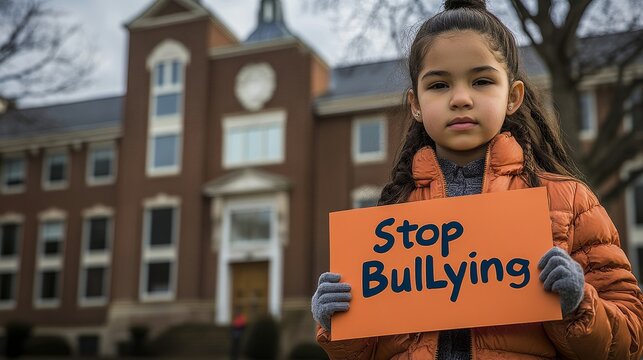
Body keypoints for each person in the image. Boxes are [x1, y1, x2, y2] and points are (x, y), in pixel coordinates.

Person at [310, 0, 643, 358]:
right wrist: (337, 324)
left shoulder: (570, 203)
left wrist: (576, 303)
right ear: (416, 105)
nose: (461, 98)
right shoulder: (389, 222)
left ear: (513, 97)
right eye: (439, 85)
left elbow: (629, 340)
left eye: (482, 81)